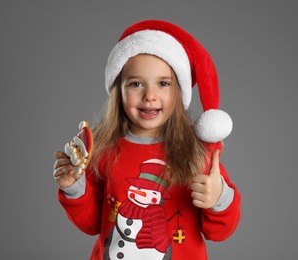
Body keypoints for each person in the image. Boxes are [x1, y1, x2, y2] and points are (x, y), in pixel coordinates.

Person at [53, 20, 241, 260]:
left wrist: (218, 198)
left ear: (179, 92)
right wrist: (73, 187)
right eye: (136, 83)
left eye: (163, 83)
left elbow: (220, 231)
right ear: (118, 90)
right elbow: (91, 224)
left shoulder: (197, 152)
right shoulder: (103, 148)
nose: (149, 95)